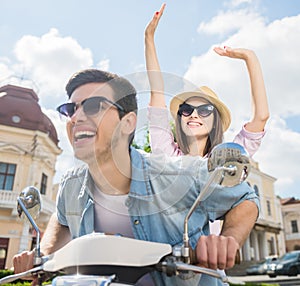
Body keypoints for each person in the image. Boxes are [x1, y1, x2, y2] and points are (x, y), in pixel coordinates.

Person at [13, 69, 259, 286]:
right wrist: (40, 256)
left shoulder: (180, 174)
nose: (75, 118)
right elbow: (63, 218)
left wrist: (227, 240)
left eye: (92, 106)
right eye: (70, 109)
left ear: (128, 122)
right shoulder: (71, 184)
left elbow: (245, 198)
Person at [145, 4, 269, 159]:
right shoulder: (167, 154)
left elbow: (261, 117)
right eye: (186, 109)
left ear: (216, 122)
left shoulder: (225, 160)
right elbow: (156, 91)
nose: (194, 115)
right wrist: (149, 39)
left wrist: (250, 57)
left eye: (204, 110)